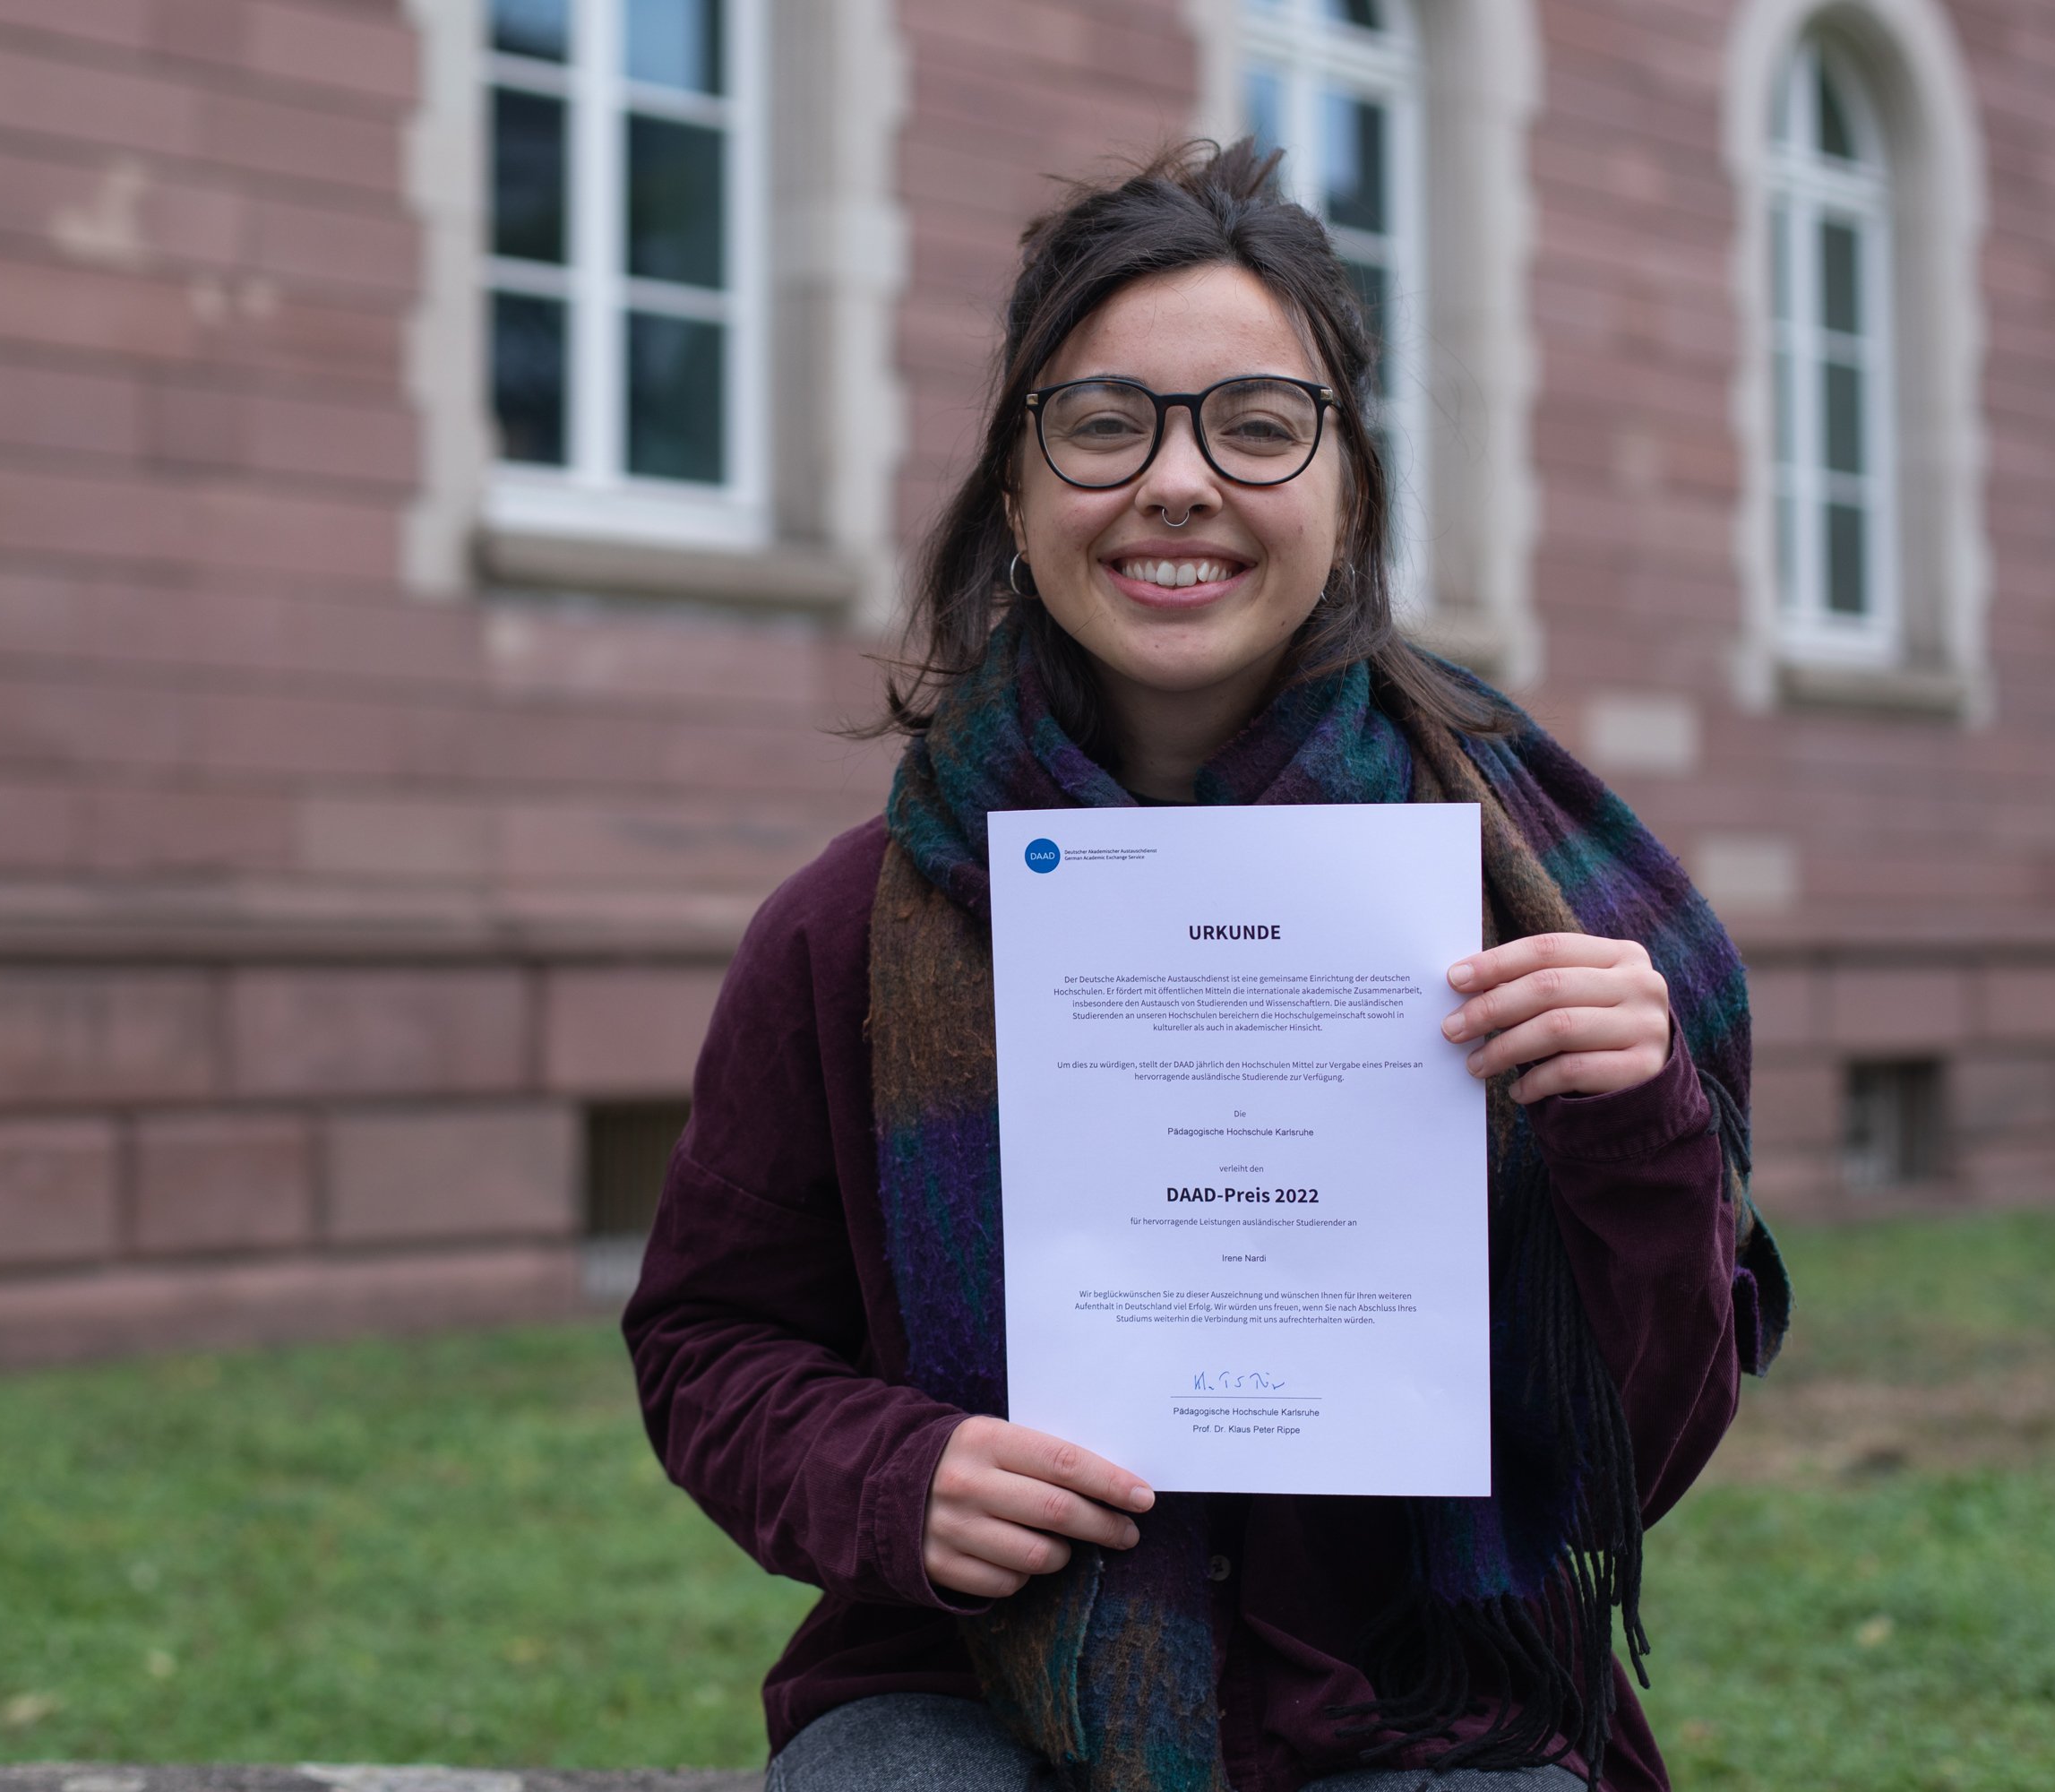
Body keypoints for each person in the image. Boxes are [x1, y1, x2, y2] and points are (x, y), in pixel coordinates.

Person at [623, 141, 1788, 1792]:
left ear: (1351, 493)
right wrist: (899, 1475)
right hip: (961, 1679)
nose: (1178, 483)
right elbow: (709, 1343)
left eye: (1256, 425)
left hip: (1419, 1689)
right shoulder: (847, 931)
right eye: (1104, 426)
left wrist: (1642, 1133)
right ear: (1016, 497)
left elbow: (1639, 1454)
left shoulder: (1527, 918)